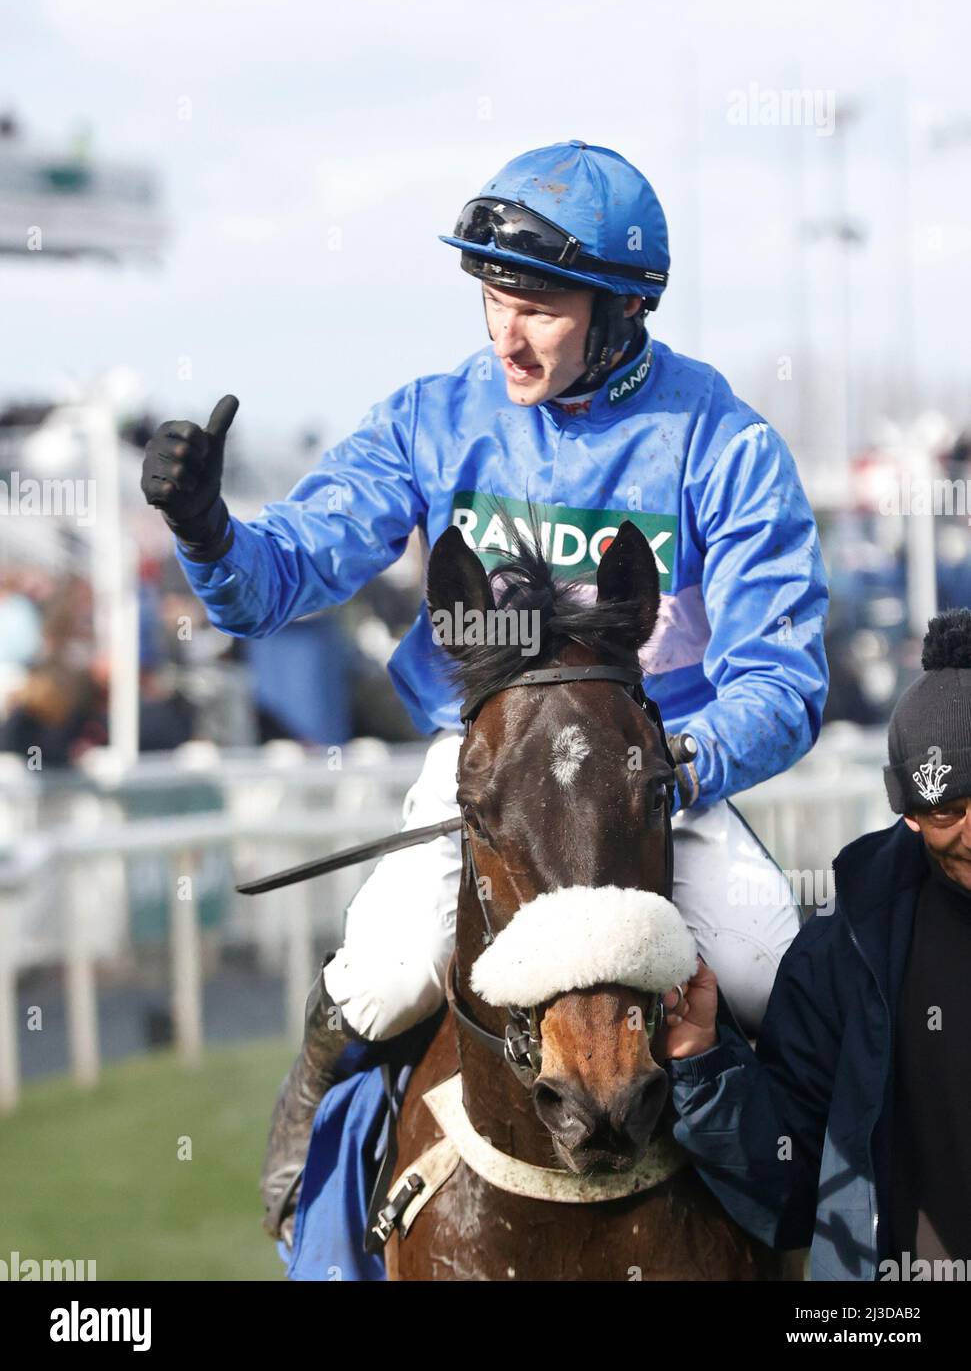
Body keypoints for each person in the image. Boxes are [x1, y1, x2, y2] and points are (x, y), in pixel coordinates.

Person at [140, 140, 829, 1245]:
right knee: (379, 975)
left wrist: (672, 764)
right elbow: (285, 577)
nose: (506, 332)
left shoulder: (723, 443)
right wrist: (207, 531)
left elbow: (782, 680)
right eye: (492, 298)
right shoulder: (430, 417)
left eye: (540, 307)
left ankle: (844, 1236)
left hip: (660, 781)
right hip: (488, 773)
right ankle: (312, 1158)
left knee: (783, 975)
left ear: (618, 310)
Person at [663, 608, 971, 1281]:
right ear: (909, 813)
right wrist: (703, 1064)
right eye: (947, 809)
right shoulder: (840, 952)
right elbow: (791, 1188)